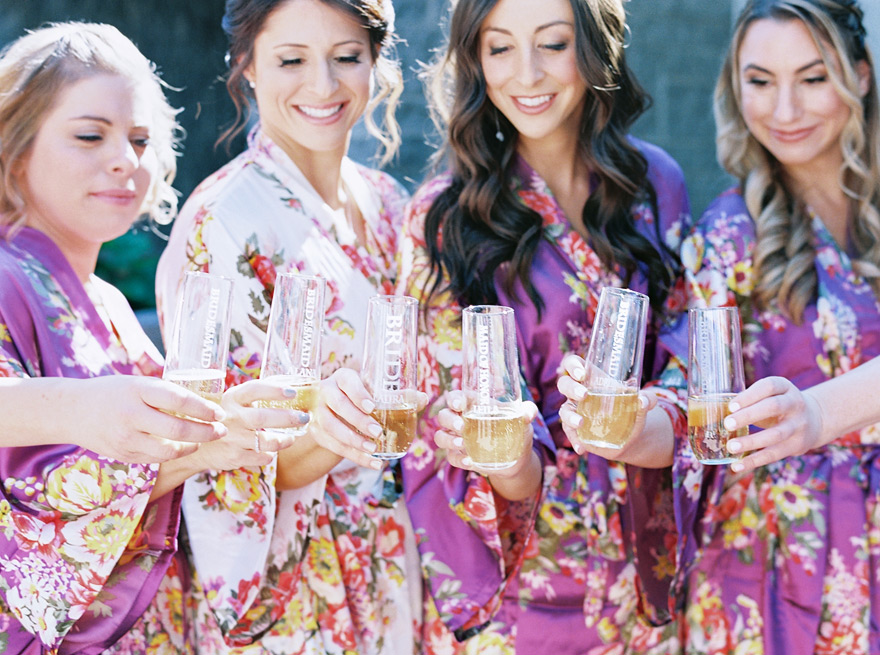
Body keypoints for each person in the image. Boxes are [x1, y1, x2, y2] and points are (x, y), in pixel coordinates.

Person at [395, 0, 691, 651]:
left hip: (643, 566)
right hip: (516, 584)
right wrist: (507, 460)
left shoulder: (655, 186)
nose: (525, 74)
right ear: (475, 60)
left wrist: (644, 425)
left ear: (594, 47)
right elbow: (456, 424)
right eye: (499, 47)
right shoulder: (444, 218)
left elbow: (686, 358)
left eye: (552, 43)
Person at [0, 22, 305, 653]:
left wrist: (216, 436)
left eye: (141, 139)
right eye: (90, 135)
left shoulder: (107, 300)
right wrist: (87, 409)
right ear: (14, 148)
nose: (125, 160)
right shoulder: (6, 278)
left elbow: (130, 474)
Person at [154, 0, 430, 652]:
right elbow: (213, 454)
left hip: (391, 555)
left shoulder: (390, 205)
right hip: (295, 588)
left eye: (345, 57)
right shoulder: (221, 221)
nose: (323, 86)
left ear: (374, 62)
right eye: (291, 60)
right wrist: (332, 434)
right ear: (247, 66)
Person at [669, 0, 880, 651]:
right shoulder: (732, 231)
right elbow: (688, 400)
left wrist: (820, 412)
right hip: (774, 562)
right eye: (760, 82)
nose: (785, 111)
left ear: (861, 75)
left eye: (813, 78)